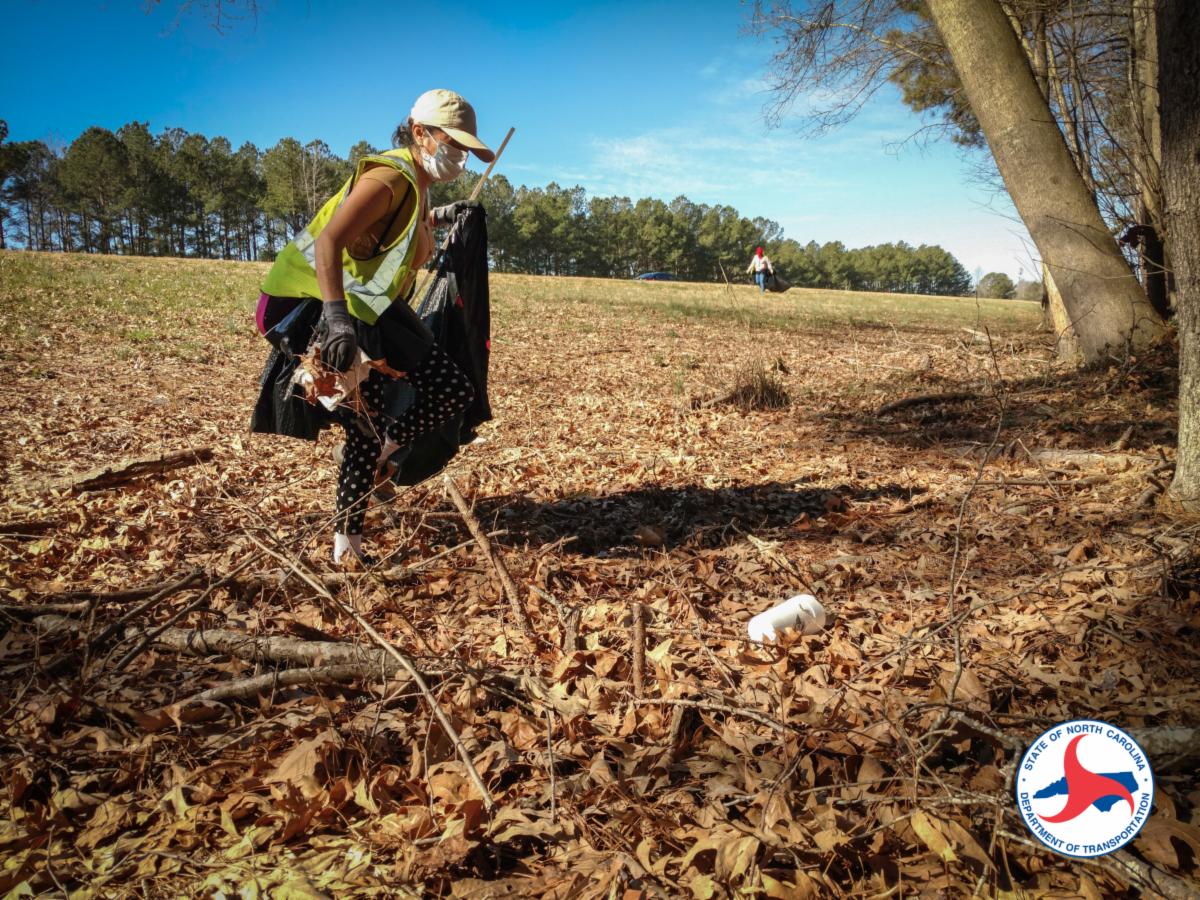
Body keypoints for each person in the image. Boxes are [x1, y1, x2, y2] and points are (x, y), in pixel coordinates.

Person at [254, 89, 494, 565]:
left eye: (466, 149)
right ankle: (348, 548)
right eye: (453, 142)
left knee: (452, 390)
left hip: (369, 307)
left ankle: (383, 452)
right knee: (363, 422)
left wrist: (448, 217)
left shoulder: (418, 186)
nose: (460, 156)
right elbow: (329, 243)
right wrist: (338, 320)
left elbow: (407, 229)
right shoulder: (391, 176)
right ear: (418, 131)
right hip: (309, 303)